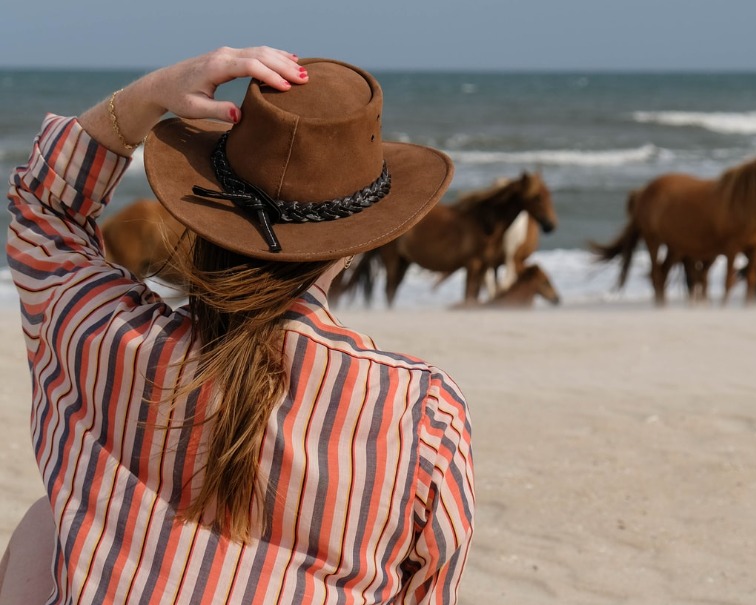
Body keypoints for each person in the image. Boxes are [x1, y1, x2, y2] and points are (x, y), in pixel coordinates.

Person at [1, 46, 474, 604]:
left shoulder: (104, 338)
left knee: (43, 522)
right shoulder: (420, 413)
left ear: (205, 213)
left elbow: (42, 207)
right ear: (356, 244)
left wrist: (153, 93)